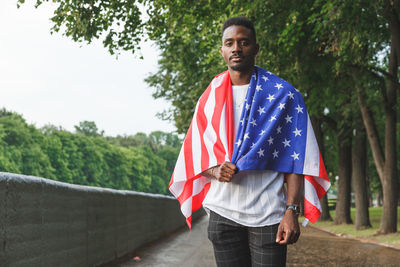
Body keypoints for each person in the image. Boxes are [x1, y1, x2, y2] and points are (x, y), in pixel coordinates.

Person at [168, 16, 329, 267]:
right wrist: (214, 169)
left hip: (268, 216)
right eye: (229, 43)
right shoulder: (209, 97)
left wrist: (291, 211)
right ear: (221, 50)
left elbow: (296, 160)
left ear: (255, 48)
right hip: (222, 215)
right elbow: (195, 156)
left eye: (243, 42)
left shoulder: (284, 96)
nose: (236, 48)